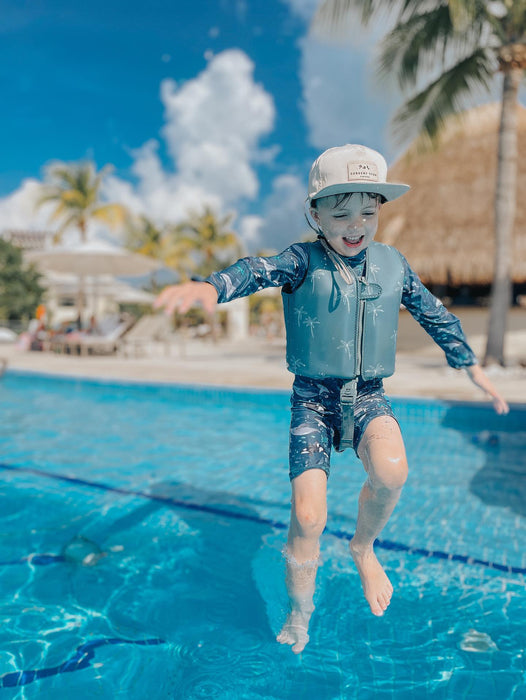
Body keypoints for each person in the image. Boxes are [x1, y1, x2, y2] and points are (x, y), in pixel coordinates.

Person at [154, 144, 509, 655]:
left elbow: (434, 314)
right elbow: (256, 270)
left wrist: (469, 365)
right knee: (309, 515)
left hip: (368, 398)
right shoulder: (302, 260)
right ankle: (300, 612)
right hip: (314, 404)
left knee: (392, 471)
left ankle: (363, 549)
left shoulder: (393, 264)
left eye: (368, 211)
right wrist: (213, 288)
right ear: (313, 213)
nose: (355, 224)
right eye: (340, 212)